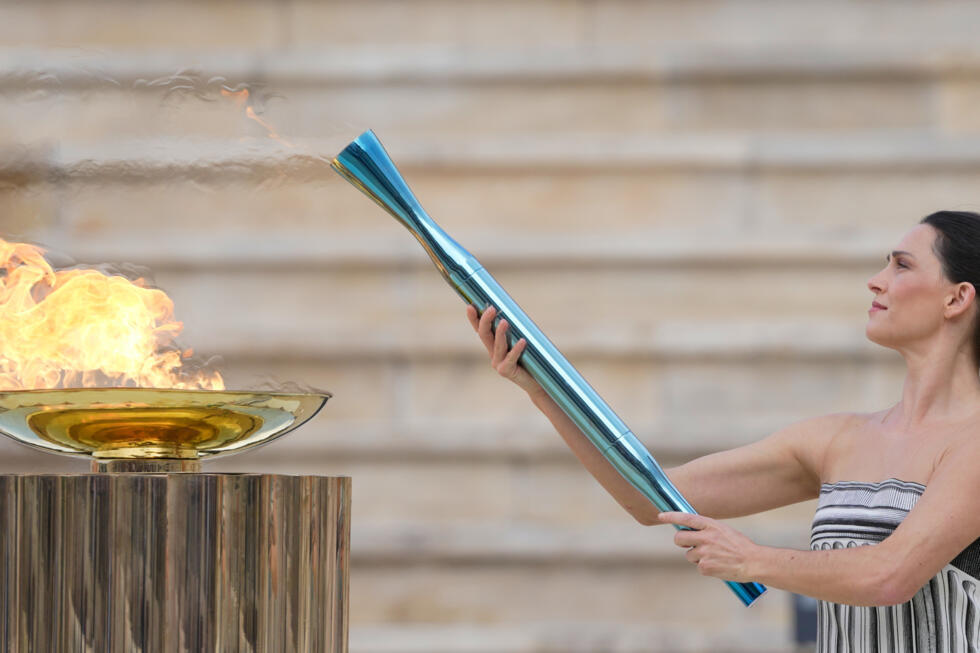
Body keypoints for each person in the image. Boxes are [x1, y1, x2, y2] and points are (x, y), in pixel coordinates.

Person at [465, 210, 980, 651]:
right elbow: (650, 497)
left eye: (901, 265)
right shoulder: (836, 441)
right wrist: (542, 390)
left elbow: (890, 575)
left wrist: (752, 560)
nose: (876, 280)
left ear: (957, 298)